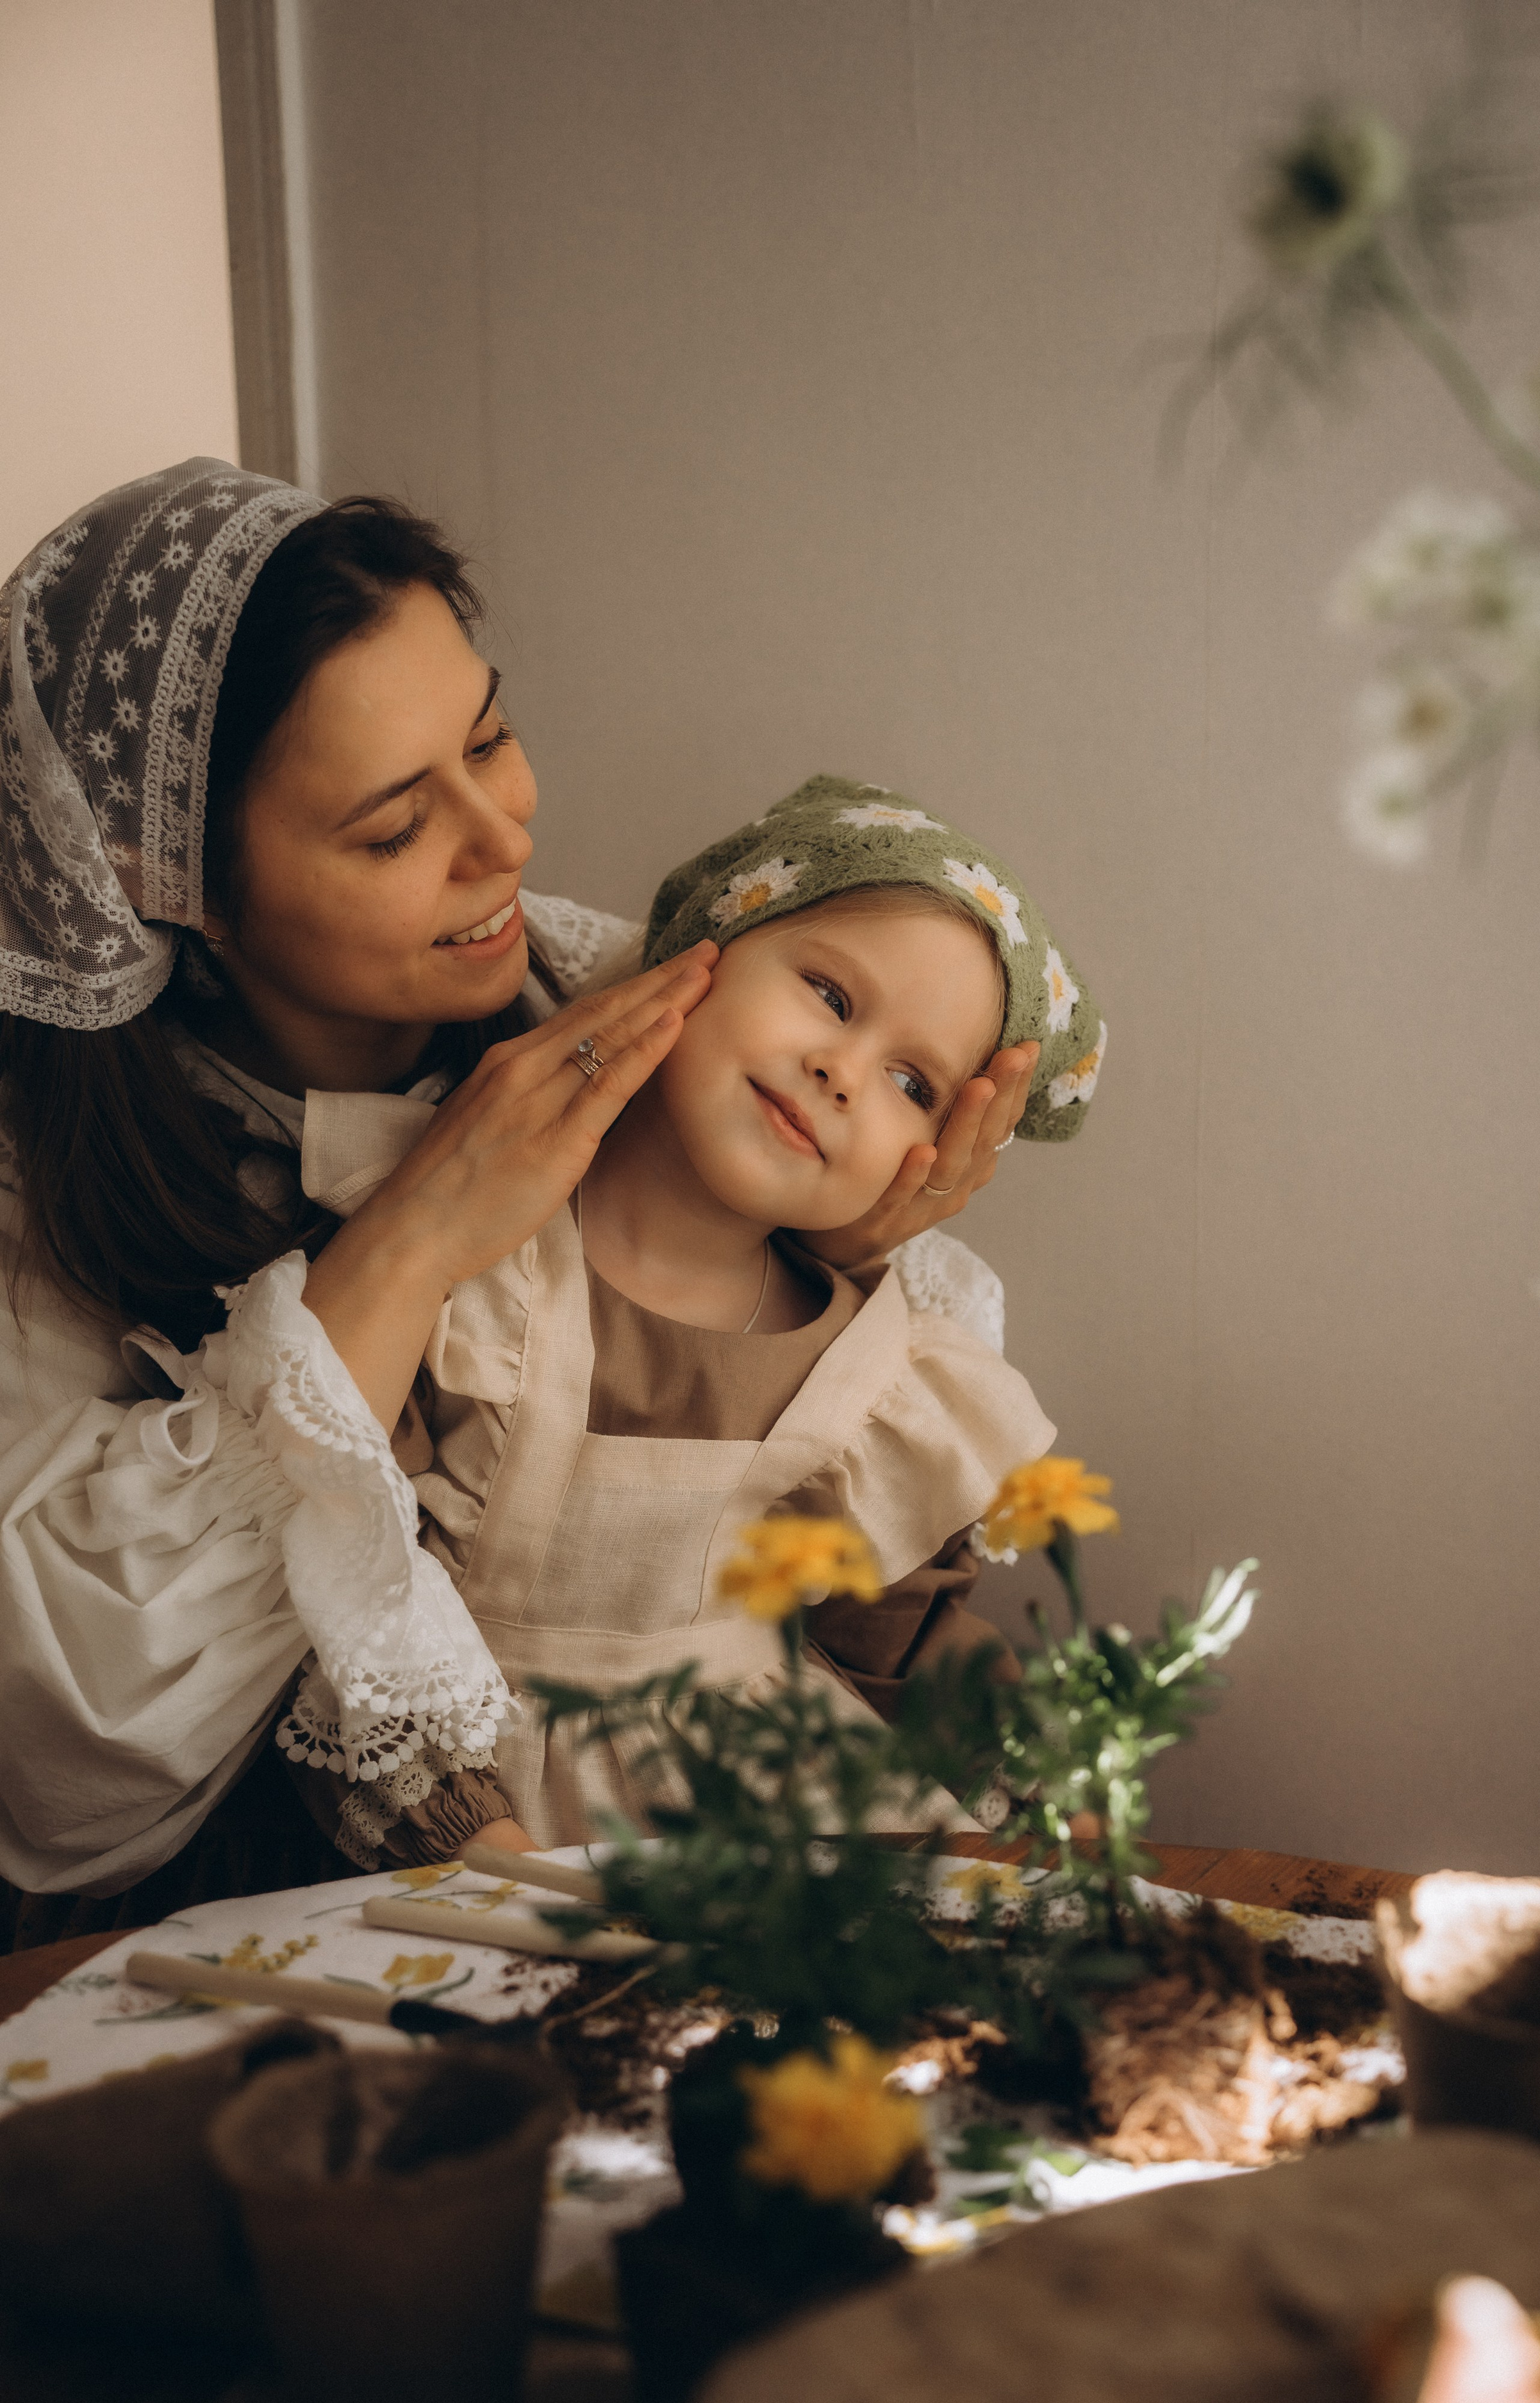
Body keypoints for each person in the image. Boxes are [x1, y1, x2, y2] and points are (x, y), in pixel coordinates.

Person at [0, 461, 1038, 1947]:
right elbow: (66, 1767)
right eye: (391, 829)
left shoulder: (618, 1004)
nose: (503, 839)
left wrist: (819, 1258)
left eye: (492, 735)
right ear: (167, 883)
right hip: (300, 1920)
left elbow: (810, 1481)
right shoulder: (47, 1188)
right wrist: (416, 1240)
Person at [294, 775, 1107, 1842]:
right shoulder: (469, 1251)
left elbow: (899, 1640)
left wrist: (1053, 1797)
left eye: (914, 1085)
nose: (842, 1072)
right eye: (829, 995)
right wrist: (480, 1857)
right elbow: (349, 1580)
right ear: (699, 949)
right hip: (490, 1810)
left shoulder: (871, 1368)